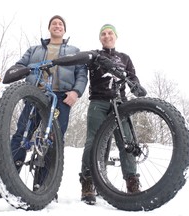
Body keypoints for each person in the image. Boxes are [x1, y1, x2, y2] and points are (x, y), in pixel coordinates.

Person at [0, 15, 88, 199]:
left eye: (60, 24)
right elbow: (19, 66)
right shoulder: (34, 49)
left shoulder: (74, 51)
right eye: (54, 24)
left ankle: (46, 187)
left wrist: (76, 93)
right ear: (49, 28)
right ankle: (8, 183)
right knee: (21, 135)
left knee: (53, 140)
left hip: (61, 98)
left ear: (64, 30)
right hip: (35, 95)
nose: (57, 26)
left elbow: (82, 74)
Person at [79, 24, 145, 205]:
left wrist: (137, 87)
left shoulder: (125, 58)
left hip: (120, 103)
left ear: (116, 36)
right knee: (93, 141)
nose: (107, 36)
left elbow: (132, 77)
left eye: (110, 33)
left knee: (127, 142)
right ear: (100, 38)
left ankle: (132, 183)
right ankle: (88, 182)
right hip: (98, 102)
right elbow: (83, 61)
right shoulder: (95, 55)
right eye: (103, 34)